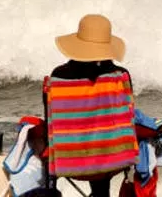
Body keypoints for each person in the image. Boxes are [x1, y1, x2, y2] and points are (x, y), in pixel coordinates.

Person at [40, 14, 138, 197]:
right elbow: (128, 115)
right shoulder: (120, 75)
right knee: (103, 139)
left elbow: (50, 121)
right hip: (113, 160)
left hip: (67, 161)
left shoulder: (57, 76)